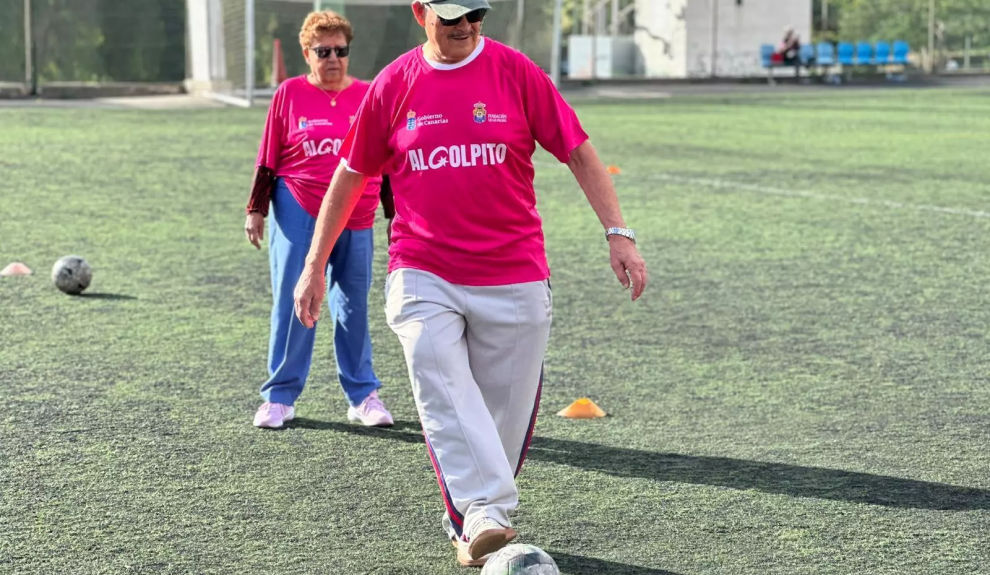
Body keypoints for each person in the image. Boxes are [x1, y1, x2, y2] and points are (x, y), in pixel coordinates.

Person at [293, 0, 648, 566]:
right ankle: (483, 515)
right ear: (421, 12)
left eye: (475, 13)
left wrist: (618, 233)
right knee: (440, 382)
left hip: (515, 273)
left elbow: (578, 151)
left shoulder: (517, 73)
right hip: (422, 269)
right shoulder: (393, 85)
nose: (464, 26)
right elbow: (351, 174)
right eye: (451, 15)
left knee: (500, 424)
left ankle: (471, 517)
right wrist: (314, 264)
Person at [244, 10, 394, 430]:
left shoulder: (368, 95)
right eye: (323, 51)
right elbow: (268, 155)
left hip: (357, 212)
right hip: (298, 206)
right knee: (295, 300)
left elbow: (386, 159)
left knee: (353, 305)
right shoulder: (289, 94)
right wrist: (256, 209)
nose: (333, 59)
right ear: (307, 53)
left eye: (340, 51)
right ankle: (279, 396)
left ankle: (363, 395)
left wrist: (393, 213)